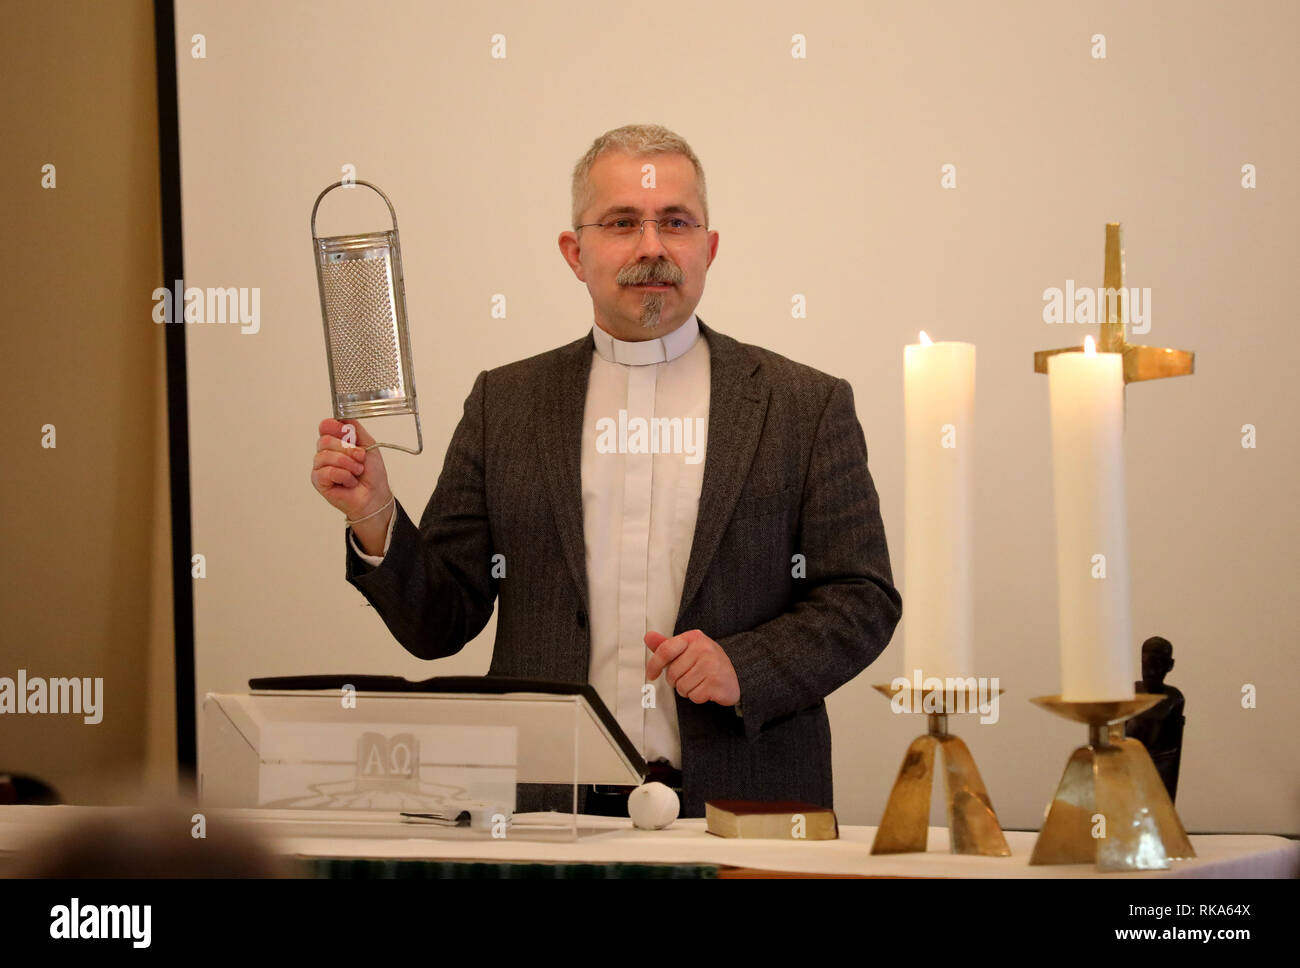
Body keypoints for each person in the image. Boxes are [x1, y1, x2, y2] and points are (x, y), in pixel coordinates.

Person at [310, 124, 901, 818]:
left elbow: (862, 598)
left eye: (675, 223)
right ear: (575, 252)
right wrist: (375, 514)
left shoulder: (805, 405)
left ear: (708, 248)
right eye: (623, 223)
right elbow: (441, 623)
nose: (652, 246)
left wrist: (748, 665)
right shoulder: (507, 404)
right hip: (544, 816)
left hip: (748, 810)